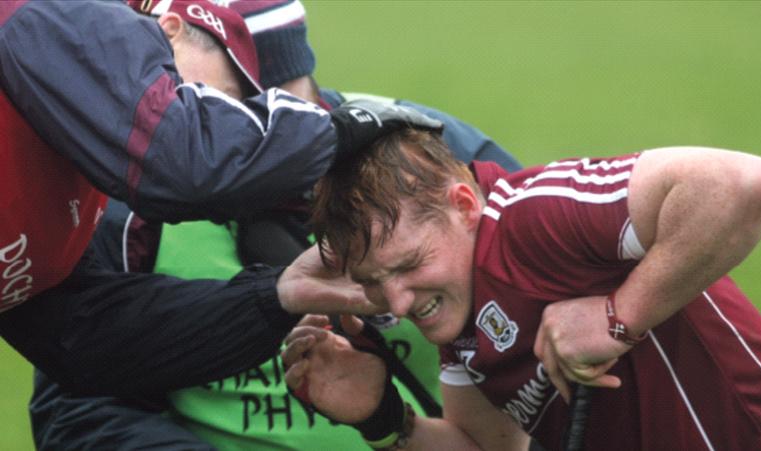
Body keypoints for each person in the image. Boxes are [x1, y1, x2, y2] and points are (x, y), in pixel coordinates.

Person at [28, 1, 525, 449]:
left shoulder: (430, 157)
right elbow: (80, 406)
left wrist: (385, 422)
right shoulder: (121, 204)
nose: (262, 142)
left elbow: (544, 355)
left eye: (283, 108)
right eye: (215, 119)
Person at [0, 0, 442, 395]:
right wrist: (338, 132)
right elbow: (187, 161)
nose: (226, 125)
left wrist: (277, 297)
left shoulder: (69, 191)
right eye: (215, 103)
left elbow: (85, 339)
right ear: (168, 30)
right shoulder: (50, 15)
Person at [281, 128, 761, 450]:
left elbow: (744, 183)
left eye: (409, 265)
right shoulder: (458, 304)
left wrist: (619, 317)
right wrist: (384, 421)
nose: (396, 303)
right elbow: (485, 448)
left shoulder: (530, 219)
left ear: (464, 206)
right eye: (373, 283)